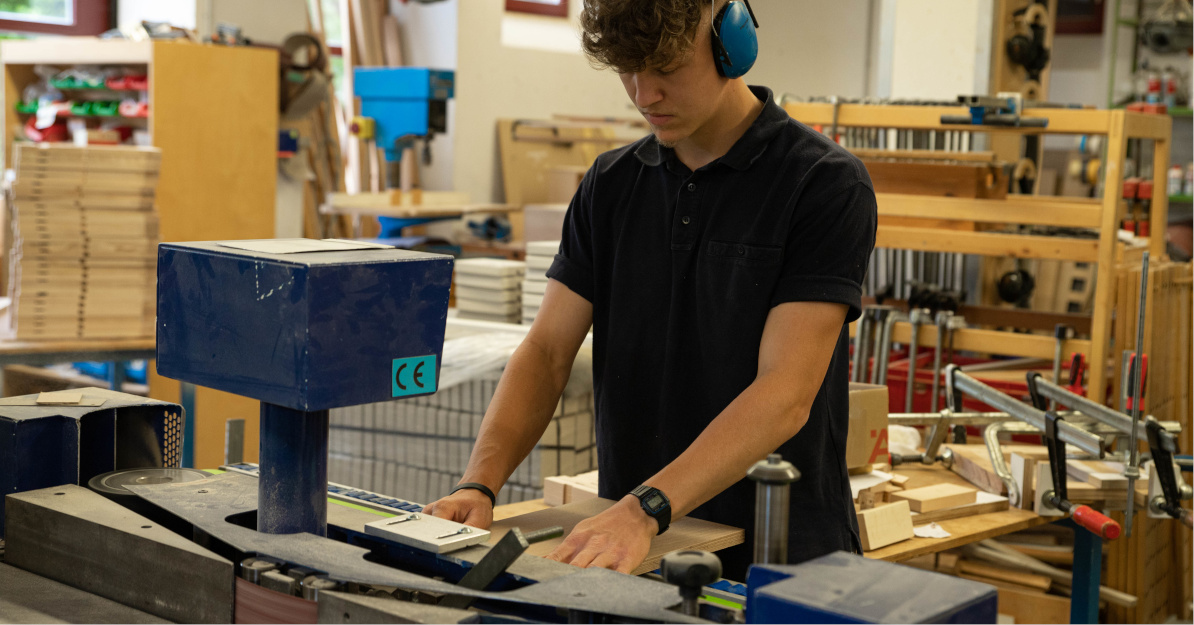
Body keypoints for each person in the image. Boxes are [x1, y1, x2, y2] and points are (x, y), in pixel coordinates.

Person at [423, 0, 877, 580]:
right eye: (627, 70)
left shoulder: (822, 183)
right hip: (628, 547)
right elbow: (546, 351)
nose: (644, 94)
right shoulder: (610, 185)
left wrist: (645, 508)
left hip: (778, 547)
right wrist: (479, 483)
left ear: (730, 42)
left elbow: (784, 394)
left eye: (665, 68)